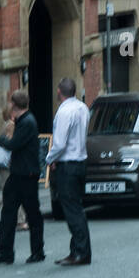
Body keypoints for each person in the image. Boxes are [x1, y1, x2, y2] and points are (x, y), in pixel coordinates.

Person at [0, 89, 44, 265]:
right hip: (19, 173)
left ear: (13, 104)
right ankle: (5, 252)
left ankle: (37, 252)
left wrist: (2, 140)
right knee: (8, 212)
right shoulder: (24, 120)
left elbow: (13, 144)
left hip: (26, 175)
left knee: (32, 214)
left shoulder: (27, 122)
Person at [46, 75, 91, 266]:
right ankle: (77, 251)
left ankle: (81, 253)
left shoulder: (64, 112)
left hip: (68, 166)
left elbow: (60, 143)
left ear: (59, 92)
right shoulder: (83, 108)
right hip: (81, 162)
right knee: (77, 208)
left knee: (72, 211)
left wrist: (49, 159)